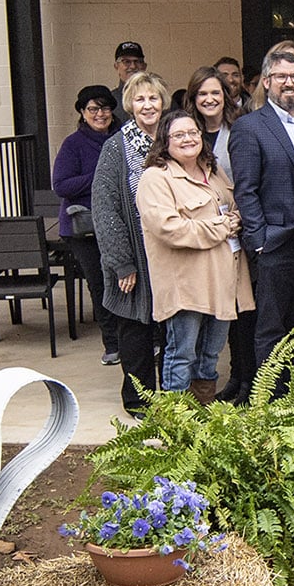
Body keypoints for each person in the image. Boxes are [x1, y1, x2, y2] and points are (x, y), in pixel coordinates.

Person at [230, 46, 294, 388]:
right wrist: (259, 242)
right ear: (266, 82)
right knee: (272, 327)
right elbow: (245, 190)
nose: (289, 83)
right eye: (281, 77)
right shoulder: (249, 127)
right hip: (275, 243)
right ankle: (270, 403)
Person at [137, 108, 252, 404]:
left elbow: (236, 207)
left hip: (223, 280)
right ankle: (177, 423)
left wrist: (233, 220)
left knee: (210, 355)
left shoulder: (213, 171)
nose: (188, 139)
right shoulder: (156, 178)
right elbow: (170, 228)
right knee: (181, 353)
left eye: (192, 133)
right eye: (179, 135)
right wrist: (222, 226)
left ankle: (203, 419)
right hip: (185, 285)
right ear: (165, 141)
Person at [92, 71, 170, 411]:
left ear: (163, 102)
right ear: (129, 105)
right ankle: (139, 400)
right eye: (140, 99)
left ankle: (172, 396)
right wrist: (122, 262)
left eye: (153, 98)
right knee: (136, 329)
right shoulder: (116, 146)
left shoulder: (173, 139)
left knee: (173, 328)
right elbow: (104, 207)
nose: (148, 105)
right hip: (135, 255)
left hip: (172, 252)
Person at [184, 65, 256, 400]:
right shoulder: (185, 132)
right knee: (215, 314)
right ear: (193, 98)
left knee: (243, 312)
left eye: (215, 92)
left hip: (241, 228)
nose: (209, 99)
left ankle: (247, 379)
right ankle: (221, 380)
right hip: (205, 235)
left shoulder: (241, 126)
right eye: (203, 93)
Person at [51, 84, 123, 366]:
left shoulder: (122, 137)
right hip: (84, 228)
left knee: (127, 280)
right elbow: (61, 185)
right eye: (93, 109)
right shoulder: (73, 144)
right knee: (100, 284)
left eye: (104, 107)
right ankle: (112, 344)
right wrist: (100, 176)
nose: (100, 114)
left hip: (119, 223)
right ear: (82, 112)